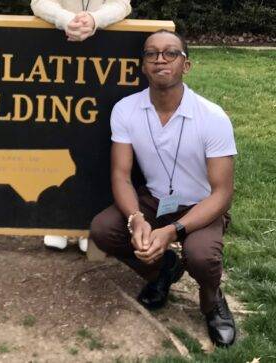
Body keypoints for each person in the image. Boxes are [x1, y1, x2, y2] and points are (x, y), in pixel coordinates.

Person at [90, 30, 237, 347]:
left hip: (201, 205)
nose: (160, 59)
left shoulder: (212, 117)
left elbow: (223, 192)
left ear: (187, 65)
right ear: (143, 65)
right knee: (104, 230)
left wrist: (173, 231)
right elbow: (121, 175)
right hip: (155, 201)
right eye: (151, 53)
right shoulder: (126, 109)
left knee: (200, 256)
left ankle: (212, 300)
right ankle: (162, 272)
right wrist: (136, 220)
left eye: (171, 53)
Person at [30, 0, 135, 251]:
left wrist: (94, 20)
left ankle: (86, 220)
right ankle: (58, 219)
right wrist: (66, 20)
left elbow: (123, 0)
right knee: (58, 135)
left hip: (101, 52)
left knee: (94, 138)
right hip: (58, 50)